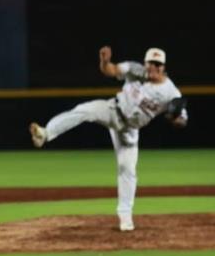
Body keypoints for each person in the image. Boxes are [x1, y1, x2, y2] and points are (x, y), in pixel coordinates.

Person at [29, 46, 188, 232]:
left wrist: (174, 117)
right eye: (151, 63)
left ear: (164, 67)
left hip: (129, 130)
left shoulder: (172, 93)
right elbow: (111, 70)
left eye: (158, 64)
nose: (154, 67)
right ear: (145, 63)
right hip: (113, 110)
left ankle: (125, 218)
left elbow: (182, 121)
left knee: (127, 169)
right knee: (85, 110)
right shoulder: (135, 69)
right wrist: (104, 61)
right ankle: (45, 133)